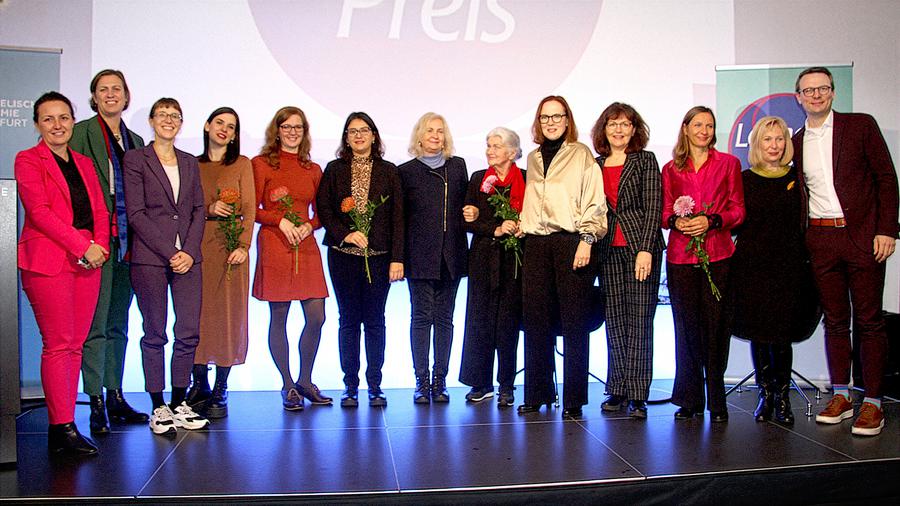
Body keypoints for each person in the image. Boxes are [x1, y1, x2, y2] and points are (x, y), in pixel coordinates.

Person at [792, 67, 898, 436]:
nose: (816, 95)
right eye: (809, 90)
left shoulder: (860, 126)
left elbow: (886, 177)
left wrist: (887, 229)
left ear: (833, 93)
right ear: (799, 98)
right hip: (821, 241)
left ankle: (873, 402)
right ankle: (841, 395)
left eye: (822, 88)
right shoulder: (797, 139)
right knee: (835, 321)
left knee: (869, 320)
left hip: (863, 237)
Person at [17, 92, 109, 455]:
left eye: (64, 118)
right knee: (58, 345)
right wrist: (80, 245)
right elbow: (39, 212)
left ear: (73, 121)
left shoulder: (85, 163)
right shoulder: (28, 160)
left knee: (75, 345)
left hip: (89, 261)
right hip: (49, 262)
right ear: (38, 124)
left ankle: (68, 424)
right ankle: (61, 429)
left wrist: (98, 245)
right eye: (49, 119)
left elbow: (100, 210)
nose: (57, 125)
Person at [123, 98, 209, 435]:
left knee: (188, 331)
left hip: (189, 258)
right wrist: (169, 251)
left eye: (175, 116)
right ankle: (158, 406)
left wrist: (187, 250)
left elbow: (198, 210)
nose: (169, 121)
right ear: (152, 120)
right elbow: (136, 213)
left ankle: (178, 401)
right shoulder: (136, 159)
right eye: (163, 115)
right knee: (155, 332)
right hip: (150, 257)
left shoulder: (189, 162)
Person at [517, 96, 607, 419]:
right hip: (537, 245)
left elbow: (595, 202)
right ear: (538, 122)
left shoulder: (582, 155)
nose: (551, 122)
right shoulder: (533, 157)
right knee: (535, 320)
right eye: (545, 117)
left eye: (558, 116)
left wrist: (587, 239)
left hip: (573, 243)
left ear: (568, 120)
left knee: (574, 323)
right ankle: (537, 392)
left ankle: (573, 399)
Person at [69, 69, 148, 435]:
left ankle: (115, 395)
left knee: (119, 323)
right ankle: (95, 401)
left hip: (129, 245)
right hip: (97, 243)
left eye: (117, 89)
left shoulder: (134, 140)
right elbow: (75, 189)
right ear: (94, 97)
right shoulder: (82, 132)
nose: (111, 94)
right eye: (104, 90)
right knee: (95, 325)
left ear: (126, 96)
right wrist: (87, 240)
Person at [731, 116, 820, 425]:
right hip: (752, 267)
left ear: (787, 144)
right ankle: (764, 395)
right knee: (760, 331)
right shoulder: (743, 178)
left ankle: (782, 398)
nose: (774, 145)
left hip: (789, 267)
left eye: (780, 139)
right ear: (757, 144)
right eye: (768, 139)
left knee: (780, 333)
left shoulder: (799, 180)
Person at [661, 106, 745, 423]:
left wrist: (712, 221)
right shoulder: (670, 169)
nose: (704, 130)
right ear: (686, 129)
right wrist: (676, 222)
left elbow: (738, 211)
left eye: (709, 125)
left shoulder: (729, 164)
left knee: (716, 327)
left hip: (719, 255)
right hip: (681, 258)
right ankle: (690, 399)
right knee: (686, 330)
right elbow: (663, 211)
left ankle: (717, 399)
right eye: (698, 124)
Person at [316, 112, 405, 408]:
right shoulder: (334, 169)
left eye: (364, 130)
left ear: (374, 135)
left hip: (379, 259)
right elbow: (325, 210)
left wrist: (397, 259)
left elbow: (398, 219)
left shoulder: (390, 171)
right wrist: (346, 234)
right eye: (352, 131)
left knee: (376, 321)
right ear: (345, 138)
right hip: (343, 257)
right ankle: (350, 386)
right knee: (349, 321)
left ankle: (375, 385)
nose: (358, 136)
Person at [252, 106, 331, 411]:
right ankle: (287, 385)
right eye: (286, 126)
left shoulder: (312, 169)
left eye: (298, 127)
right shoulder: (260, 165)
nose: (292, 131)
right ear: (277, 130)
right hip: (276, 244)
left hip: (305, 245)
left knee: (317, 316)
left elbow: (322, 213)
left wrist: (307, 227)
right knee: (279, 317)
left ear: (304, 131)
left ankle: (305, 380)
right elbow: (253, 209)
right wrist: (279, 221)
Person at [590, 103, 664, 419]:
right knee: (616, 320)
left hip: (639, 249)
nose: (619, 130)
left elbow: (653, 207)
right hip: (607, 250)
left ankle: (638, 394)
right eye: (613, 124)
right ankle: (617, 388)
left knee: (639, 321)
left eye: (625, 124)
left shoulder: (645, 161)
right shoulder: (594, 164)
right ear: (603, 130)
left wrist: (646, 248)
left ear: (635, 130)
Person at [185, 107, 256, 418]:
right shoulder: (191, 164)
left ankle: (221, 388)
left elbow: (251, 208)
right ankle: (198, 384)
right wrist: (208, 207)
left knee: (229, 317)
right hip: (198, 246)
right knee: (197, 315)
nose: (225, 129)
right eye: (220, 123)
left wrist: (244, 245)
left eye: (232, 126)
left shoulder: (242, 164)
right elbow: (183, 206)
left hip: (231, 250)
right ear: (207, 125)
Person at [398, 112, 469, 404]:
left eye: (440, 131)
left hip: (450, 254)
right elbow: (400, 219)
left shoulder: (458, 167)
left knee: (445, 319)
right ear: (419, 136)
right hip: (419, 256)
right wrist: (399, 258)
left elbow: (467, 205)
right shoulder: (406, 171)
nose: (435, 136)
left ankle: (440, 380)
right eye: (429, 131)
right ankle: (421, 380)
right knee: (421, 317)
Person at [458, 127, 525, 408]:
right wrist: (495, 228)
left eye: (496, 146)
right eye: (488, 145)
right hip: (483, 257)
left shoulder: (526, 178)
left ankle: (507, 384)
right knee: (480, 320)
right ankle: (480, 382)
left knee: (508, 322)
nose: (490, 151)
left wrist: (521, 226)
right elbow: (467, 218)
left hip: (515, 259)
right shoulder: (477, 179)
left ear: (512, 152)